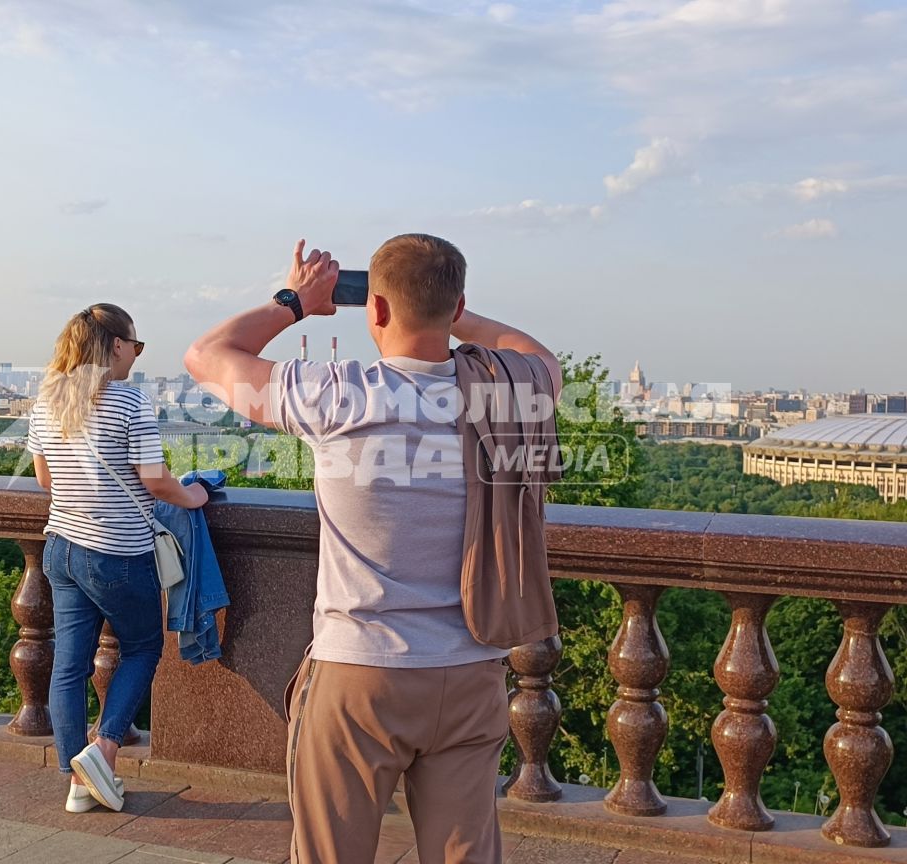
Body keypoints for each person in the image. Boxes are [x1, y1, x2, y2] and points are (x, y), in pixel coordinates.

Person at [185, 235, 562, 864]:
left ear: (376, 312)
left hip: (361, 672)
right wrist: (448, 311)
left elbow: (207, 356)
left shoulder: (339, 393)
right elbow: (539, 356)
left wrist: (295, 301)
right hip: (472, 671)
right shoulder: (504, 391)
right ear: (457, 303)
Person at [30, 303, 208, 814]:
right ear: (115, 345)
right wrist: (193, 496)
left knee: (68, 666)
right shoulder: (130, 401)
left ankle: (76, 783)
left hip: (61, 547)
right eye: (137, 344)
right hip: (116, 552)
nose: (138, 353)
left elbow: (45, 480)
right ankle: (103, 751)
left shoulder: (48, 400)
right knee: (143, 649)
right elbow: (154, 480)